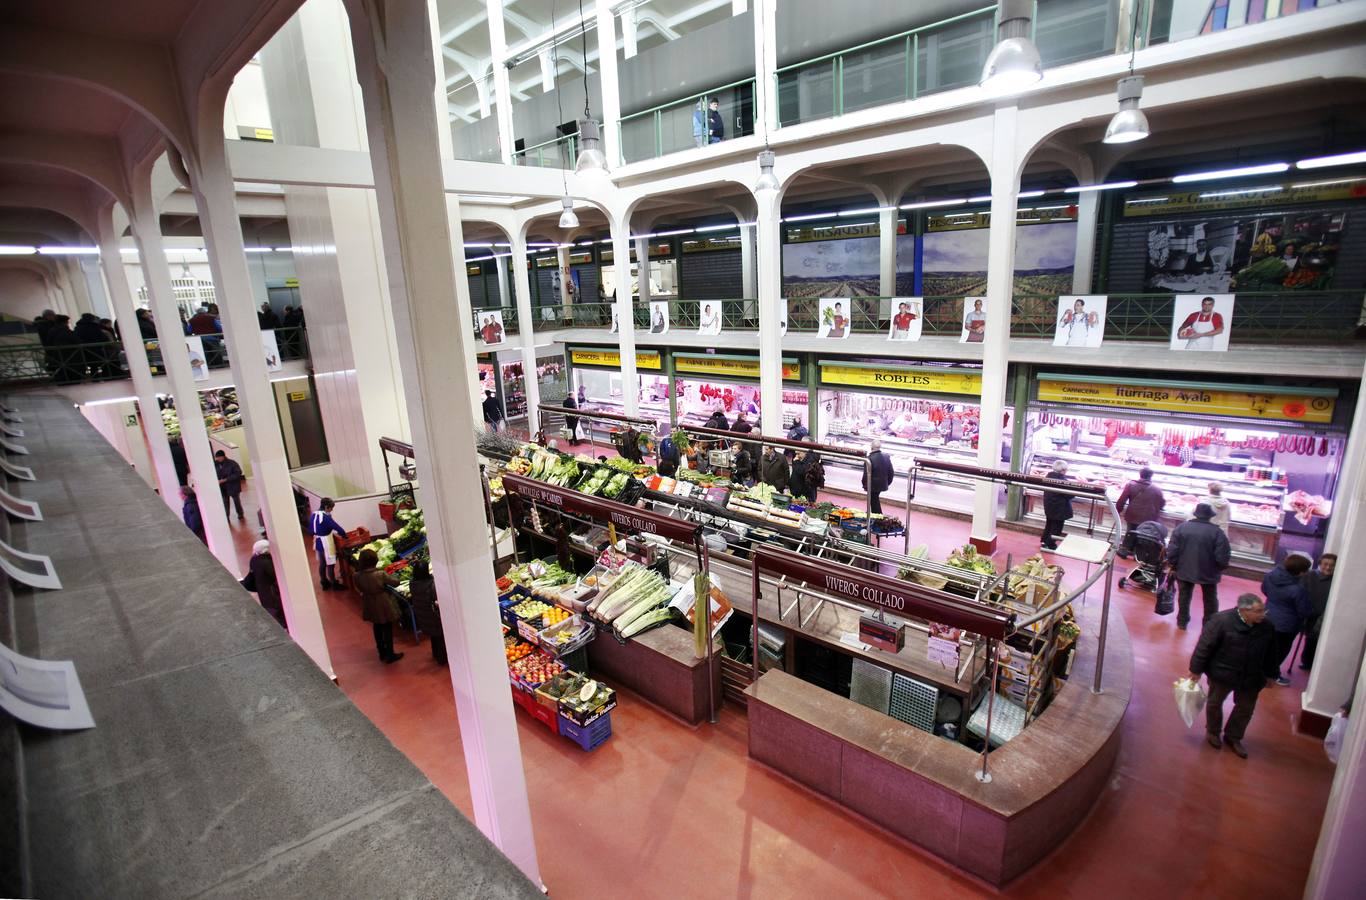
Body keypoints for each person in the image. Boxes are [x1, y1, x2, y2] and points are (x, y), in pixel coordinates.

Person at [1188, 593, 1281, 758]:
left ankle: (1233, 737)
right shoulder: (1220, 621)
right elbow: (1204, 646)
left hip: (1252, 676)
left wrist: (1272, 674)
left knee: (1245, 709)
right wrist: (1196, 670)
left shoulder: (1267, 626)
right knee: (1215, 703)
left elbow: (1271, 652)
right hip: (1223, 673)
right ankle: (1213, 732)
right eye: (1258, 611)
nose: (1263, 615)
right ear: (1244, 610)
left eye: (1263, 611)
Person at [1166, 503, 1232, 630]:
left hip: (1184, 568)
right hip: (1209, 571)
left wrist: (1173, 564)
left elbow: (1173, 550)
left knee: (1184, 595)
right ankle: (1210, 623)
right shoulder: (1217, 532)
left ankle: (1182, 621)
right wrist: (1219, 568)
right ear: (1209, 517)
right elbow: (1222, 555)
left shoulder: (1182, 528)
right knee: (1210, 598)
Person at [1262, 553, 1313, 685]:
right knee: (1280, 650)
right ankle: (1272, 674)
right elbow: (1303, 610)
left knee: (1266, 646)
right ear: (1300, 572)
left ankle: (1260, 669)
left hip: (1268, 616)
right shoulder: (1297, 590)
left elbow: (1264, 590)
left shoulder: (1270, 576)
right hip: (1287, 624)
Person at [354, 548, 404, 664]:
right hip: (383, 603)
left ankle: (381, 652)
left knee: (377, 627)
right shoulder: (380, 574)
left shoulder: (357, 575)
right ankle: (390, 654)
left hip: (369, 602)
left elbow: (360, 588)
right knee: (387, 627)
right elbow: (395, 582)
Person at [1116, 467, 1166, 557]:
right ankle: (1139, 553)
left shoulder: (1131, 485)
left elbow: (1122, 500)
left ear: (1140, 474)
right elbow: (1162, 504)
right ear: (1151, 476)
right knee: (1144, 535)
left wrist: (1118, 510)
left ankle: (1126, 550)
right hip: (1149, 518)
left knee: (1131, 532)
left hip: (1133, 515)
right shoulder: (1157, 489)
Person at [1300, 553, 1336, 671]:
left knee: (1315, 640)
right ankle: (1307, 662)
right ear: (1320, 564)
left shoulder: (1336, 581)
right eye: (1325, 564)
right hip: (1307, 613)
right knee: (1310, 639)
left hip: (1324, 616)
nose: (1328, 567)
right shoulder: (1309, 576)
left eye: (1332, 565)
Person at [407, 561, 445, 665]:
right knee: (439, 636)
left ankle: (436, 654)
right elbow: (436, 597)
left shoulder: (412, 584)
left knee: (433, 636)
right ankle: (442, 659)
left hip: (422, 613)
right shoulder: (430, 585)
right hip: (433, 615)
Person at [242, 539, 286, 628]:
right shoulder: (267, 562)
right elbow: (276, 576)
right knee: (277, 612)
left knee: (270, 610)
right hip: (272, 592)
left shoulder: (254, 559)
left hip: (262, 591)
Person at [309, 498, 348, 591]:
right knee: (330, 563)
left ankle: (324, 582)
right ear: (326, 507)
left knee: (322, 563)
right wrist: (344, 535)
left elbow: (310, 530)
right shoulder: (325, 517)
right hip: (325, 542)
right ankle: (334, 584)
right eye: (331, 508)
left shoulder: (314, 514)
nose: (332, 510)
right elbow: (336, 527)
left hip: (318, 541)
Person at [1040, 460, 1073, 551]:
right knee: (1057, 527)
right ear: (1063, 470)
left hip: (1049, 506)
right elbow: (1070, 495)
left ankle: (1044, 540)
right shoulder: (1062, 481)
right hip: (1059, 508)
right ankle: (1050, 544)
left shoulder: (1049, 477)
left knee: (1049, 524)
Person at [862, 439, 894, 515]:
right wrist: (888, 482)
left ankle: (878, 517)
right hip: (883, 483)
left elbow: (866, 474)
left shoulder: (869, 459)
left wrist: (864, 485)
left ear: (871, 447)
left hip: (873, 485)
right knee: (874, 499)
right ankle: (873, 515)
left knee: (873, 500)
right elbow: (891, 471)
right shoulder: (886, 456)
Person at [213, 450, 246, 521]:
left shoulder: (232, 463)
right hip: (222, 487)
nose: (217, 459)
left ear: (223, 456)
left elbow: (238, 473)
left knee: (236, 501)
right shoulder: (215, 464)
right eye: (216, 458)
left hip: (233, 486)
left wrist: (226, 479)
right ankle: (226, 517)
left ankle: (240, 514)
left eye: (218, 457)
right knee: (225, 502)